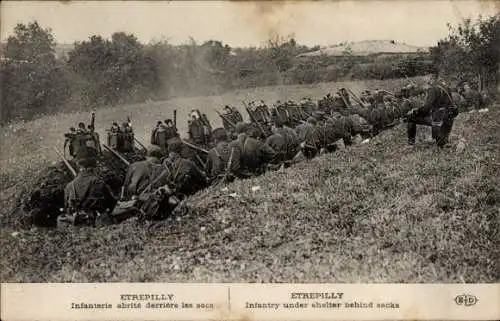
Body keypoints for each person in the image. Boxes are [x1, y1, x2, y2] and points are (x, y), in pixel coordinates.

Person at [58, 158, 117, 227]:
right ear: (93, 169)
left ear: (80, 168)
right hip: (97, 222)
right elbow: (112, 202)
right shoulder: (98, 182)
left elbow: (66, 207)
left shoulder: (69, 185)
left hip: (76, 223)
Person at [406, 74, 459, 147]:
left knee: (410, 117)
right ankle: (441, 139)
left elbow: (427, 108)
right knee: (442, 143)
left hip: (439, 120)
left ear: (431, 79)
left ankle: (411, 143)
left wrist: (415, 111)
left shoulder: (433, 89)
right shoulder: (446, 88)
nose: (427, 83)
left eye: (428, 81)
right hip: (449, 119)